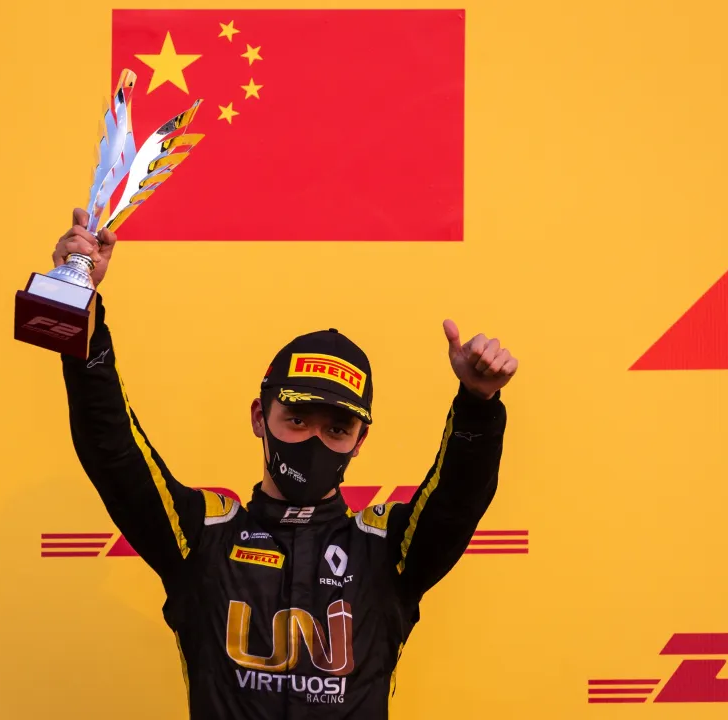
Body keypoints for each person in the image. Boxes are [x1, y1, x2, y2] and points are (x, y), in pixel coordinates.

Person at [55, 208, 518, 719]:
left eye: (337, 429)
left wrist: (478, 404)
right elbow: (114, 453)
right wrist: (80, 309)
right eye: (297, 420)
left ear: (360, 441)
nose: (314, 441)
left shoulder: (387, 552)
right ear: (260, 417)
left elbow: (457, 502)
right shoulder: (201, 538)